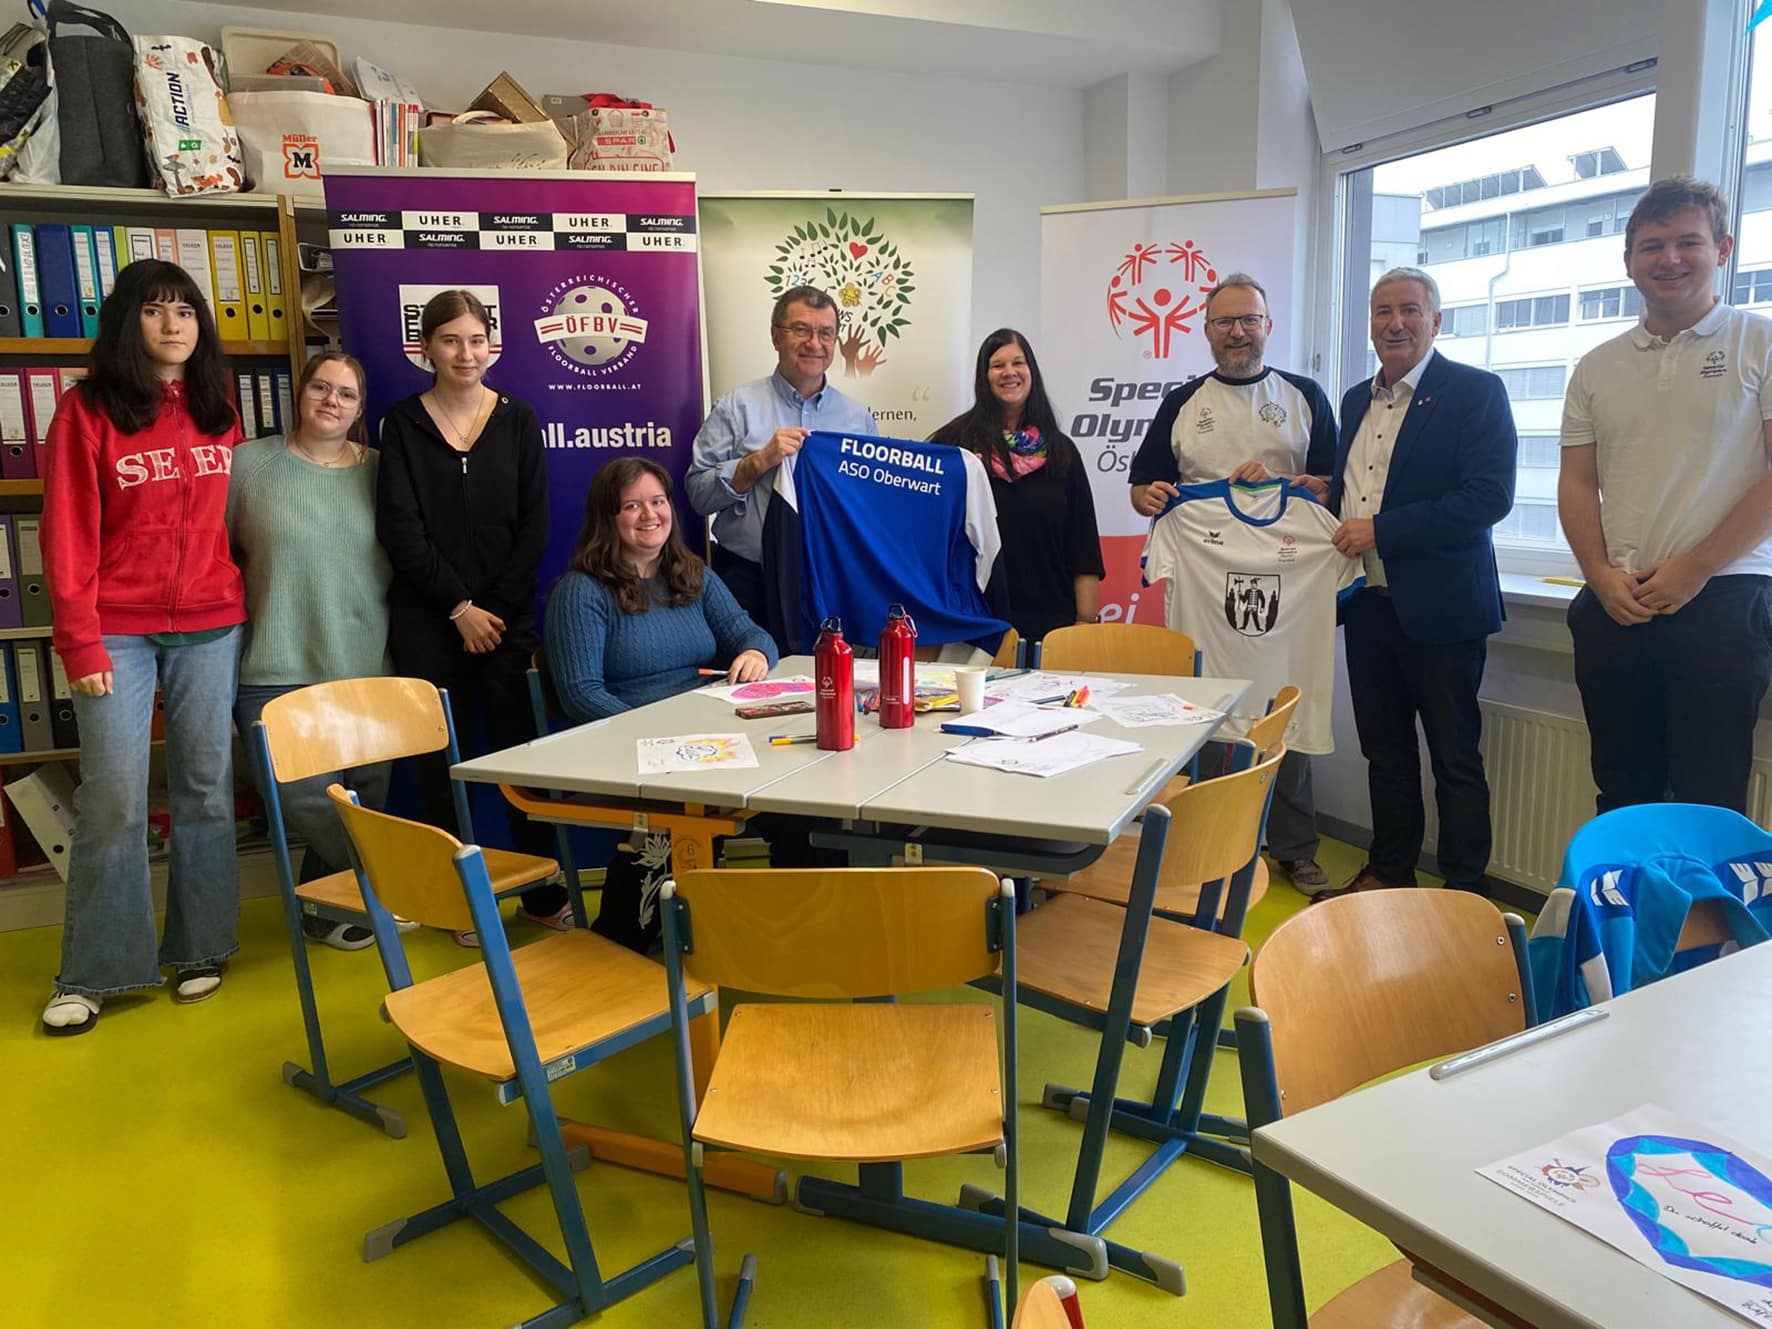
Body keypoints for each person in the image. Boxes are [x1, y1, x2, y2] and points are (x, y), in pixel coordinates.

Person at [39, 259, 246, 1034]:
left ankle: (201, 947)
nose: (173, 324)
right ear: (130, 322)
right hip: (115, 629)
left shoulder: (219, 405)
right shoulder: (86, 409)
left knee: (204, 787)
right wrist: (79, 640)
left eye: (185, 309)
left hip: (211, 624)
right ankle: (95, 970)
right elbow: (66, 531)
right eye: (156, 310)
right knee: (115, 797)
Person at [1560, 176, 1772, 815]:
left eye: (1688, 242)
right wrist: (1598, 575)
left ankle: (1701, 896)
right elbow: (1577, 482)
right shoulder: (1597, 365)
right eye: (1651, 246)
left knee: (1709, 802)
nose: (1669, 259)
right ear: (1628, 262)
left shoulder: (1759, 343)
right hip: (1616, 601)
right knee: (1622, 795)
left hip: (1725, 597)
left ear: (1723, 249)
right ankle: (1627, 894)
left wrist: (1696, 567)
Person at [1127, 273, 1338, 890]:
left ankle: (1294, 847)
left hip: (1285, 582)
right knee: (1210, 714)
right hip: (1208, 579)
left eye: (1249, 319)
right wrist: (1148, 497)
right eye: (1225, 321)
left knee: (1286, 710)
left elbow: (1334, 485)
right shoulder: (1183, 402)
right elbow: (1142, 485)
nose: (1238, 331)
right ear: (1207, 330)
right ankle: (1211, 843)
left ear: (1268, 325)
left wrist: (1305, 487)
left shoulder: (1304, 396)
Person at [376, 289, 567, 940]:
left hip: (507, 621)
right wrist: (459, 607)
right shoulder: (403, 424)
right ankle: (457, 901)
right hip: (430, 620)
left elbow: (534, 526)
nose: (466, 353)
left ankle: (541, 893)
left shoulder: (519, 419)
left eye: (477, 340)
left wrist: (493, 613)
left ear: (493, 346)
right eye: (451, 340)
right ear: (426, 347)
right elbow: (401, 529)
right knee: (439, 767)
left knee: (521, 761)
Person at [1324, 266, 1516, 901]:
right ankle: (1389, 873)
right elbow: (1357, 488)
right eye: (1382, 311)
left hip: (1443, 608)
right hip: (1368, 604)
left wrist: (1380, 530)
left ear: (1436, 321)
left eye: (1409, 309)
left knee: (1455, 759)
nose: (1395, 323)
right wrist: (1320, 491)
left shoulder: (1476, 392)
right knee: (1384, 753)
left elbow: (1487, 498)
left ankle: (1463, 893)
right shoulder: (1354, 399)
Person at [546, 457, 779, 947]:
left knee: (793, 797)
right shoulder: (581, 591)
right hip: (627, 748)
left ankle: (788, 924)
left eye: (657, 501)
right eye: (632, 506)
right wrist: (657, 739)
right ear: (608, 517)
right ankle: (629, 939)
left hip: (702, 744)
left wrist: (755, 653)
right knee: (687, 809)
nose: (650, 514)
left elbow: (751, 634)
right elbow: (581, 694)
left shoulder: (692, 575)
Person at [229, 352, 394, 951]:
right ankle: (392, 884)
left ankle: (326, 912)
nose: (332, 401)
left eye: (346, 394)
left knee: (364, 800)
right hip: (276, 663)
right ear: (299, 394)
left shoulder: (381, 472)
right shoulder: (248, 464)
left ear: (360, 408)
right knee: (307, 800)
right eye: (321, 387)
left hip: (367, 664)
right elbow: (215, 556)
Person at [685, 285, 876, 634]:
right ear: (775, 336)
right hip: (749, 581)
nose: (814, 343)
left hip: (829, 582)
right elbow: (698, 494)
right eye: (801, 329)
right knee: (749, 669)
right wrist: (756, 463)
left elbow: (870, 506)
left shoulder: (857, 419)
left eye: (826, 333)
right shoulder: (736, 407)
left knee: (828, 668)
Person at [929, 328, 1103, 643]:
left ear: (1031, 370)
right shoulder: (954, 445)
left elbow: (1083, 545)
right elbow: (928, 533)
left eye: (1018, 363)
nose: (1009, 372)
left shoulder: (1061, 452)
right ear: (984, 377)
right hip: (971, 620)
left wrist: (1084, 623)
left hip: (1052, 625)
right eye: (998, 365)